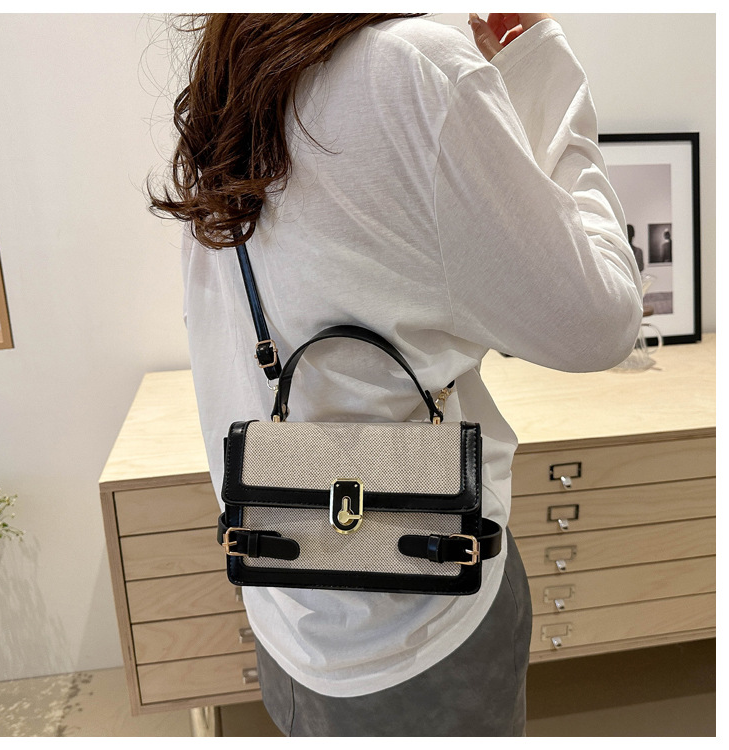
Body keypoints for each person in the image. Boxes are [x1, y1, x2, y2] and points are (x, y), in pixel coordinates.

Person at [149, 12, 642, 736]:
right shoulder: (417, 69)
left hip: (285, 597)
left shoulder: (232, 69)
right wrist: (547, 74)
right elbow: (601, 323)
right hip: (424, 622)